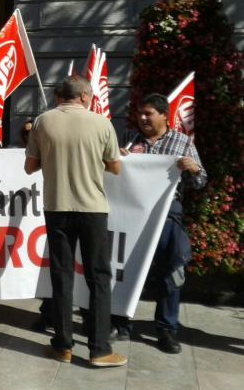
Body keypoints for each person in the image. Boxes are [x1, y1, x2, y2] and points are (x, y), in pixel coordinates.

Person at [24, 75, 127, 367]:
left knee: (61, 276)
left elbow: (30, 166)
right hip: (92, 208)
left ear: (63, 95)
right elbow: (116, 167)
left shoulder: (42, 122)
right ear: (84, 96)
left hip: (56, 207)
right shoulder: (102, 123)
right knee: (99, 278)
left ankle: (63, 345)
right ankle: (99, 349)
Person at [118, 93, 207, 353]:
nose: (143, 118)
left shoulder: (182, 142)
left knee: (172, 270)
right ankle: (121, 322)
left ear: (163, 115)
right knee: (127, 269)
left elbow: (201, 181)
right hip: (133, 213)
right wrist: (118, 161)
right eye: (140, 113)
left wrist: (193, 169)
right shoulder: (130, 140)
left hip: (168, 214)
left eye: (148, 113)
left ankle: (166, 330)